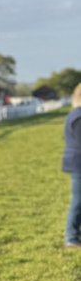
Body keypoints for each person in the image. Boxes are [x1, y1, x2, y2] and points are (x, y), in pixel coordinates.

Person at [62, 83, 81, 249]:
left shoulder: (75, 114)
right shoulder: (79, 117)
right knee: (78, 200)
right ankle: (71, 236)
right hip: (78, 163)